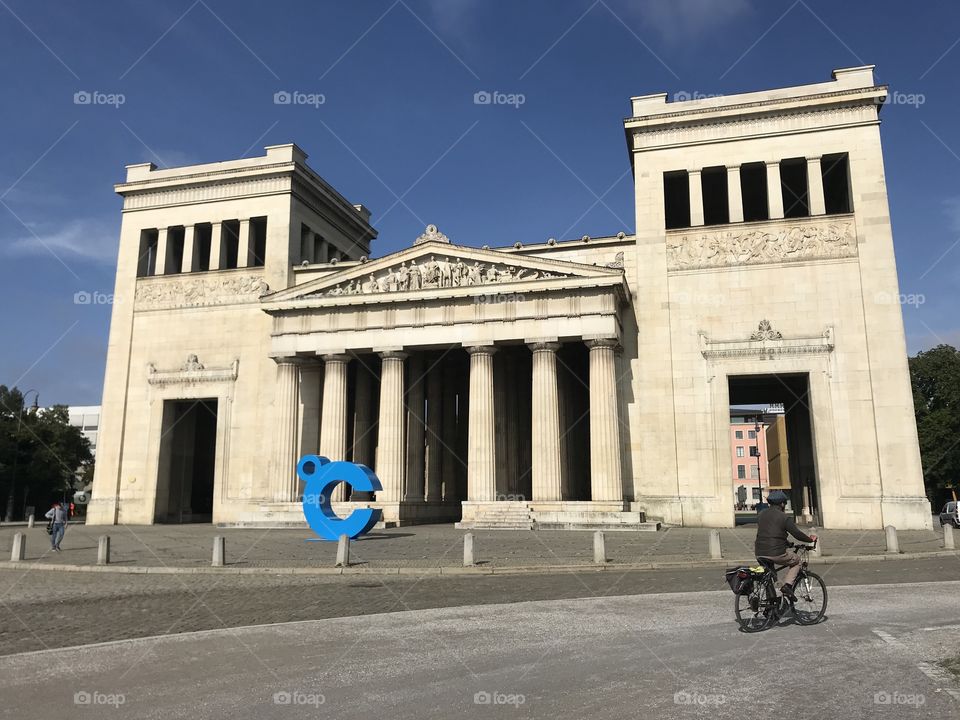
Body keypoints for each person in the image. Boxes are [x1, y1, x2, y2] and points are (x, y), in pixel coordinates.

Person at [755, 490, 817, 600]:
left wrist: (787, 543)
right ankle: (787, 586)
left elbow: (771, 532)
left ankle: (772, 607)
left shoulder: (761, 515)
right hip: (775, 552)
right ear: (782, 504)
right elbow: (797, 534)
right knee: (797, 561)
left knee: (770, 575)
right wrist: (809, 539)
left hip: (759, 552)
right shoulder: (783, 517)